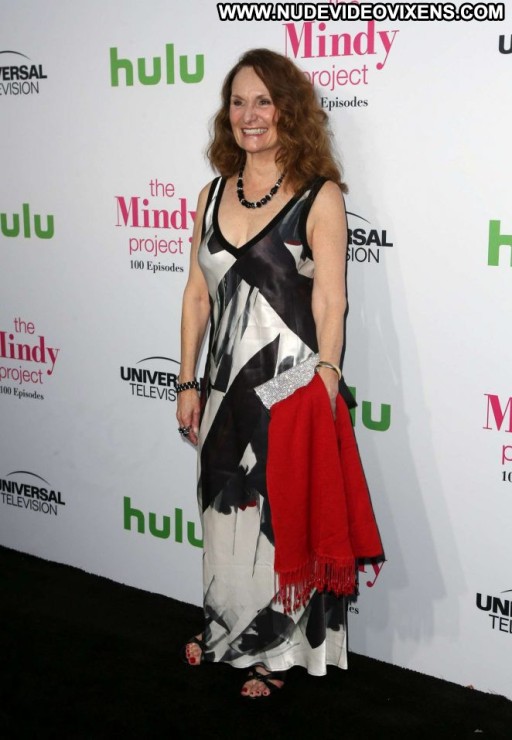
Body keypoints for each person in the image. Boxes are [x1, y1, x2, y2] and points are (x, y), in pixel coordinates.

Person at [176, 48, 371, 699]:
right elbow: (197, 296)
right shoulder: (210, 195)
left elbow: (331, 298)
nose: (249, 114)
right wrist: (187, 381)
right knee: (225, 517)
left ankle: (277, 651)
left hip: (289, 387)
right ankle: (229, 627)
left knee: (281, 520)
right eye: (238, 102)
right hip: (221, 389)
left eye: (263, 101)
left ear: (289, 109)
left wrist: (326, 376)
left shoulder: (319, 195)